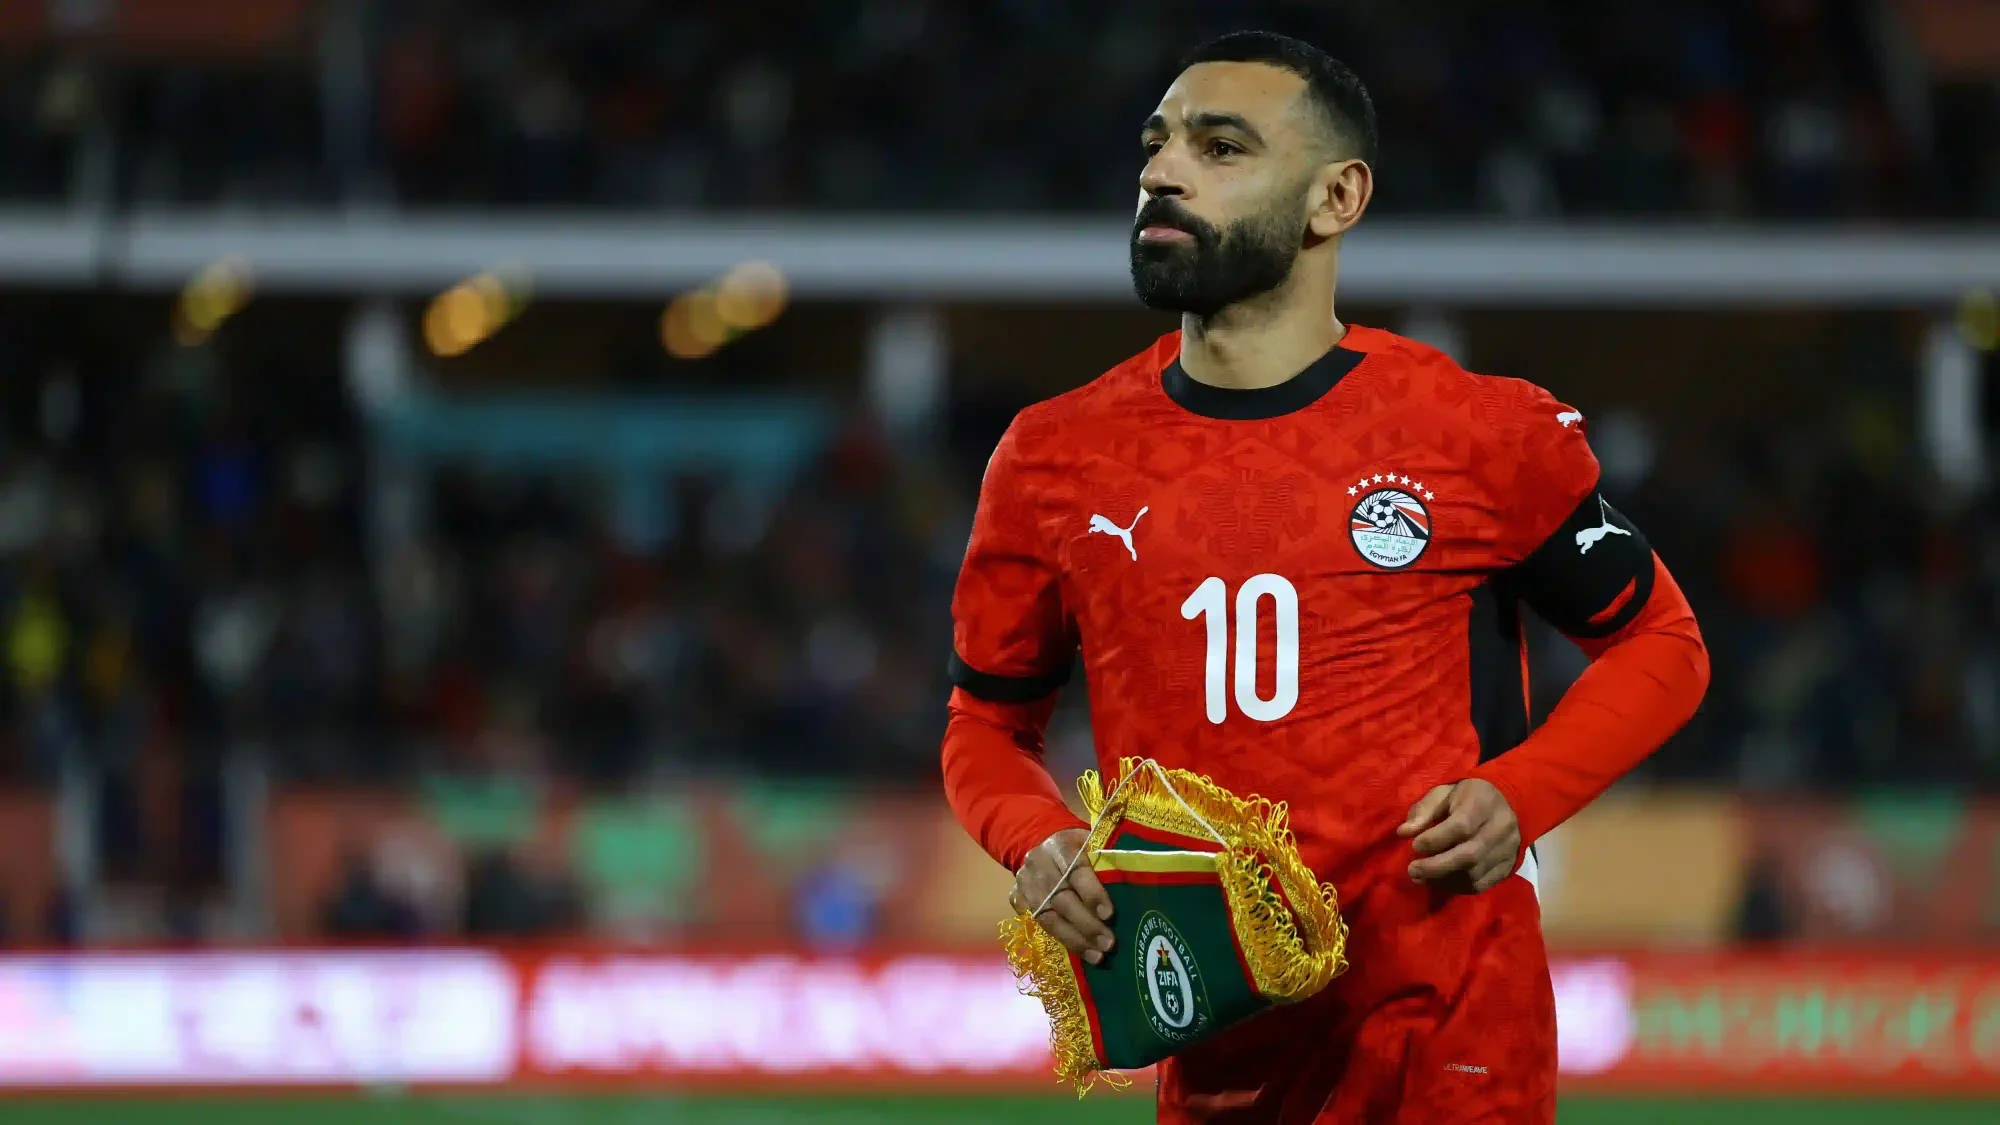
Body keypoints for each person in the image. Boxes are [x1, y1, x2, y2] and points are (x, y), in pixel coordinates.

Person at [939, 30, 1709, 1125]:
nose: (1162, 172)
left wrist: (1519, 796)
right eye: (1156, 145)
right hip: (1215, 1044)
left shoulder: (1474, 433)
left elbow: (1662, 648)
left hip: (1448, 1032)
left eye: (1220, 149)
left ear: (1334, 198)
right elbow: (984, 726)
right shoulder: (1051, 458)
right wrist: (1038, 840)